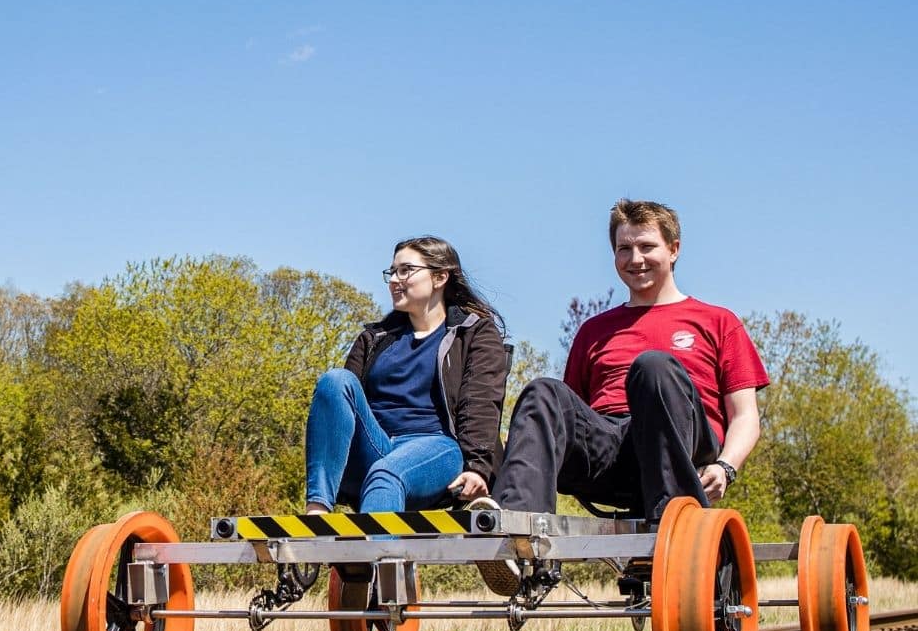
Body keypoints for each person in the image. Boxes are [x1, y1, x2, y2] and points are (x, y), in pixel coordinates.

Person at [482, 199, 769, 591]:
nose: (635, 258)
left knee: (653, 367)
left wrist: (726, 467)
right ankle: (518, 540)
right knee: (543, 392)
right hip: (612, 451)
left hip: (682, 447)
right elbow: (572, 417)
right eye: (624, 248)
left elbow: (746, 416)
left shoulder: (717, 321)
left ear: (674, 248)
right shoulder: (594, 330)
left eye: (647, 246)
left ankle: (676, 538)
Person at [305, 236, 509, 517]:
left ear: (439, 278)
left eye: (406, 270)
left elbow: (481, 403)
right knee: (335, 380)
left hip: (435, 448)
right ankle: (317, 512)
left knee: (385, 475)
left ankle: (377, 560)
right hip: (377, 445)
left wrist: (477, 468)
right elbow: (344, 408)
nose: (394, 280)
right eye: (392, 272)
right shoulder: (374, 338)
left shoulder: (473, 333)